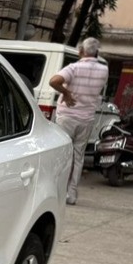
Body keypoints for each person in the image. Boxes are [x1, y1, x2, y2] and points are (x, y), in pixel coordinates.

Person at [49, 37, 110, 205]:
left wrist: (66, 93)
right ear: (96, 52)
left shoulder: (74, 68)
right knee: (78, 156)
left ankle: (57, 191)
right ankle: (72, 194)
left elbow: (54, 81)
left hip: (67, 116)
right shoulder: (104, 70)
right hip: (87, 118)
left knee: (62, 154)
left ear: (81, 51)